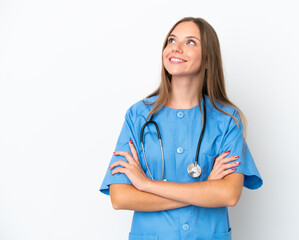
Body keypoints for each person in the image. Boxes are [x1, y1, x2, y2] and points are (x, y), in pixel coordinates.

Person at [99, 17, 263, 240]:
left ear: (207, 60)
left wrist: (147, 185)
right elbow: (120, 198)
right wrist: (205, 189)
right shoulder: (138, 116)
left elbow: (228, 194)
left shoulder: (226, 119)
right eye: (172, 40)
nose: (176, 47)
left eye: (191, 42)